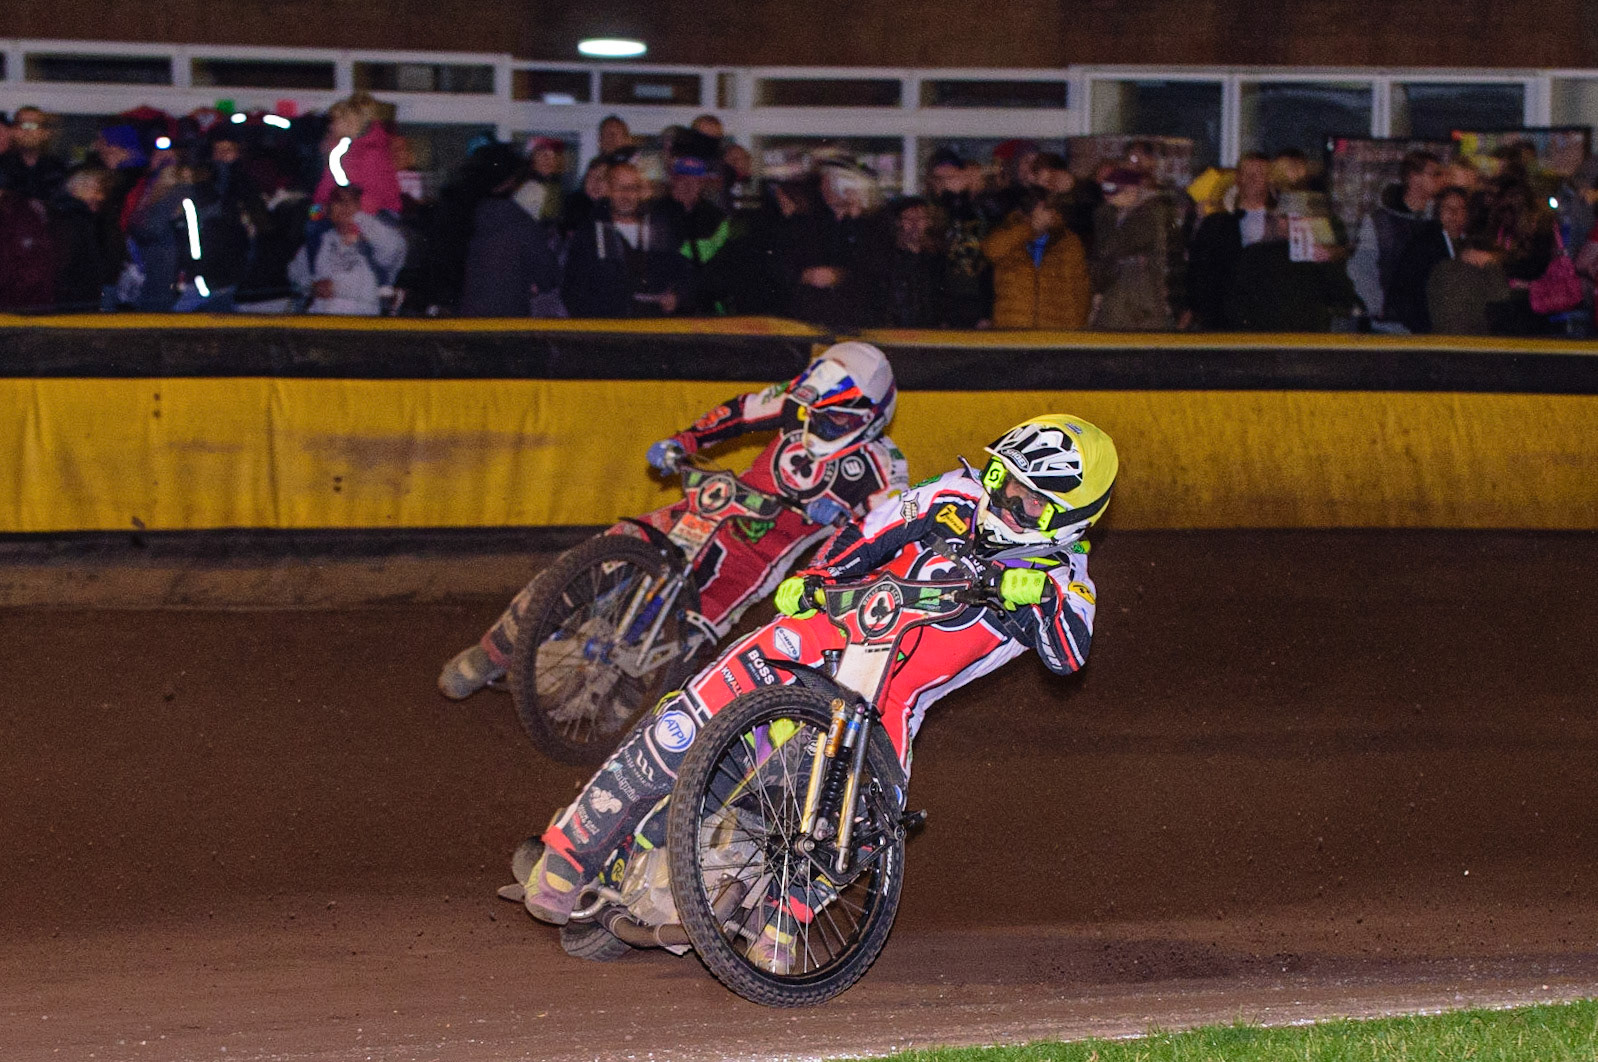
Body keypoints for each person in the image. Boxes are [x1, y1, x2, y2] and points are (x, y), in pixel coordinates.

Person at [517, 413, 1116, 972]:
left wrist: (1034, 593)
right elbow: (872, 530)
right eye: (1003, 480)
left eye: (1031, 501)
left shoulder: (1069, 579)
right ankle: (569, 854)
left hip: (887, 700)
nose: (1007, 501)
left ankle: (780, 925)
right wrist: (817, 579)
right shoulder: (954, 494)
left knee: (865, 819)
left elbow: (1070, 655)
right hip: (817, 635)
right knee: (681, 727)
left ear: (1073, 518)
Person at [438, 342, 908, 698]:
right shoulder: (796, 399)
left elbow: (887, 531)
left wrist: (846, 521)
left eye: (831, 421)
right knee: (603, 551)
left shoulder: (884, 467)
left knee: (675, 646)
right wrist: (685, 442)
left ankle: (612, 713)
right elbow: (740, 412)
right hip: (709, 505)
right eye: (812, 414)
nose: (813, 426)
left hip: (752, 556)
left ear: (867, 417)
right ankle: (493, 653)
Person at [562, 161, 695, 318]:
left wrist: (677, 296)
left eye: (632, 188)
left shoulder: (659, 231)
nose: (626, 195)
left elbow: (684, 275)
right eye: (620, 188)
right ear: (608, 190)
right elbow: (572, 289)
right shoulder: (589, 234)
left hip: (653, 330)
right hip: (607, 332)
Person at [1347, 150, 1443, 321]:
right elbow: (1362, 268)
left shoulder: (1438, 221)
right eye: (1435, 175)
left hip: (1431, 318)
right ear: (1414, 178)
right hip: (1391, 322)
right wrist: (1377, 306)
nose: (1440, 180)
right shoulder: (1378, 222)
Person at [1187, 152, 1274, 330]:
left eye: (1258, 173)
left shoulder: (1281, 224)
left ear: (1270, 179)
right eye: (1246, 173)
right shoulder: (1216, 224)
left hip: (1267, 318)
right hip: (1223, 319)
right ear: (1237, 179)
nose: (1251, 179)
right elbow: (1198, 270)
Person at [288, 184, 406, 315]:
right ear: (328, 208)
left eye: (352, 201)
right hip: (322, 325)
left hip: (364, 325)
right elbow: (295, 276)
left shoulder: (376, 243)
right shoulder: (316, 244)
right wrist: (312, 286)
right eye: (338, 200)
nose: (345, 205)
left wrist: (361, 219)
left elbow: (395, 249)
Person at [983, 189, 1091, 329]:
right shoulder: (1009, 235)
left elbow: (1081, 290)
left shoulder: (1068, 241)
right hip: (1013, 330)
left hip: (1056, 333)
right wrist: (1029, 228)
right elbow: (991, 250)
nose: (1044, 213)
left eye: (1047, 208)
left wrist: (1075, 329)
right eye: (1039, 208)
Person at [1385, 186, 1471, 334]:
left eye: (1461, 209)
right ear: (1438, 212)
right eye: (1448, 208)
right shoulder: (1423, 246)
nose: (1454, 214)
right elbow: (1402, 294)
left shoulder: (1473, 246)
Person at [0, 106, 69, 205]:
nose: (28, 131)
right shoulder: (3, 165)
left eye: (34, 125)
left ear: (45, 133)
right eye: (22, 124)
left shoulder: (58, 168)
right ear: (13, 131)